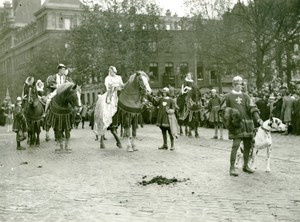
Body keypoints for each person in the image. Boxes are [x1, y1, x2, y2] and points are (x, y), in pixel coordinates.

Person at [220, 76, 263, 177]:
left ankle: (245, 165)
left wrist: (258, 119)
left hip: (247, 124)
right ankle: (232, 168)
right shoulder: (228, 96)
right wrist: (231, 115)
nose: (239, 86)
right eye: (237, 84)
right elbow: (222, 110)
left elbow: (253, 108)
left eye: (240, 84)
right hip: (236, 125)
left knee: (248, 145)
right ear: (233, 85)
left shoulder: (246, 96)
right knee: (236, 145)